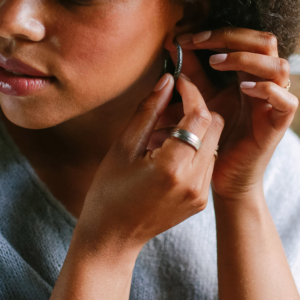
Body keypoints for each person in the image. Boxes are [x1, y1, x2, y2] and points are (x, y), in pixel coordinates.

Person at [0, 0, 300, 299]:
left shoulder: (280, 173)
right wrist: (108, 247)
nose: (9, 22)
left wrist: (239, 192)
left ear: (190, 14)